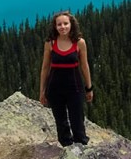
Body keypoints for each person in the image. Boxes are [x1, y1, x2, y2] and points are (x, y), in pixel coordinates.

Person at [39, 10, 93, 146]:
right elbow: (45, 68)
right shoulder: (50, 43)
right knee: (60, 120)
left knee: (77, 119)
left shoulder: (79, 43)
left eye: (65, 23)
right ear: (55, 27)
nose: (62, 27)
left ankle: (81, 146)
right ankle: (66, 147)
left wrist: (89, 88)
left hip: (75, 87)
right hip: (54, 88)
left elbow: (84, 66)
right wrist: (42, 91)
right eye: (59, 24)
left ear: (71, 24)